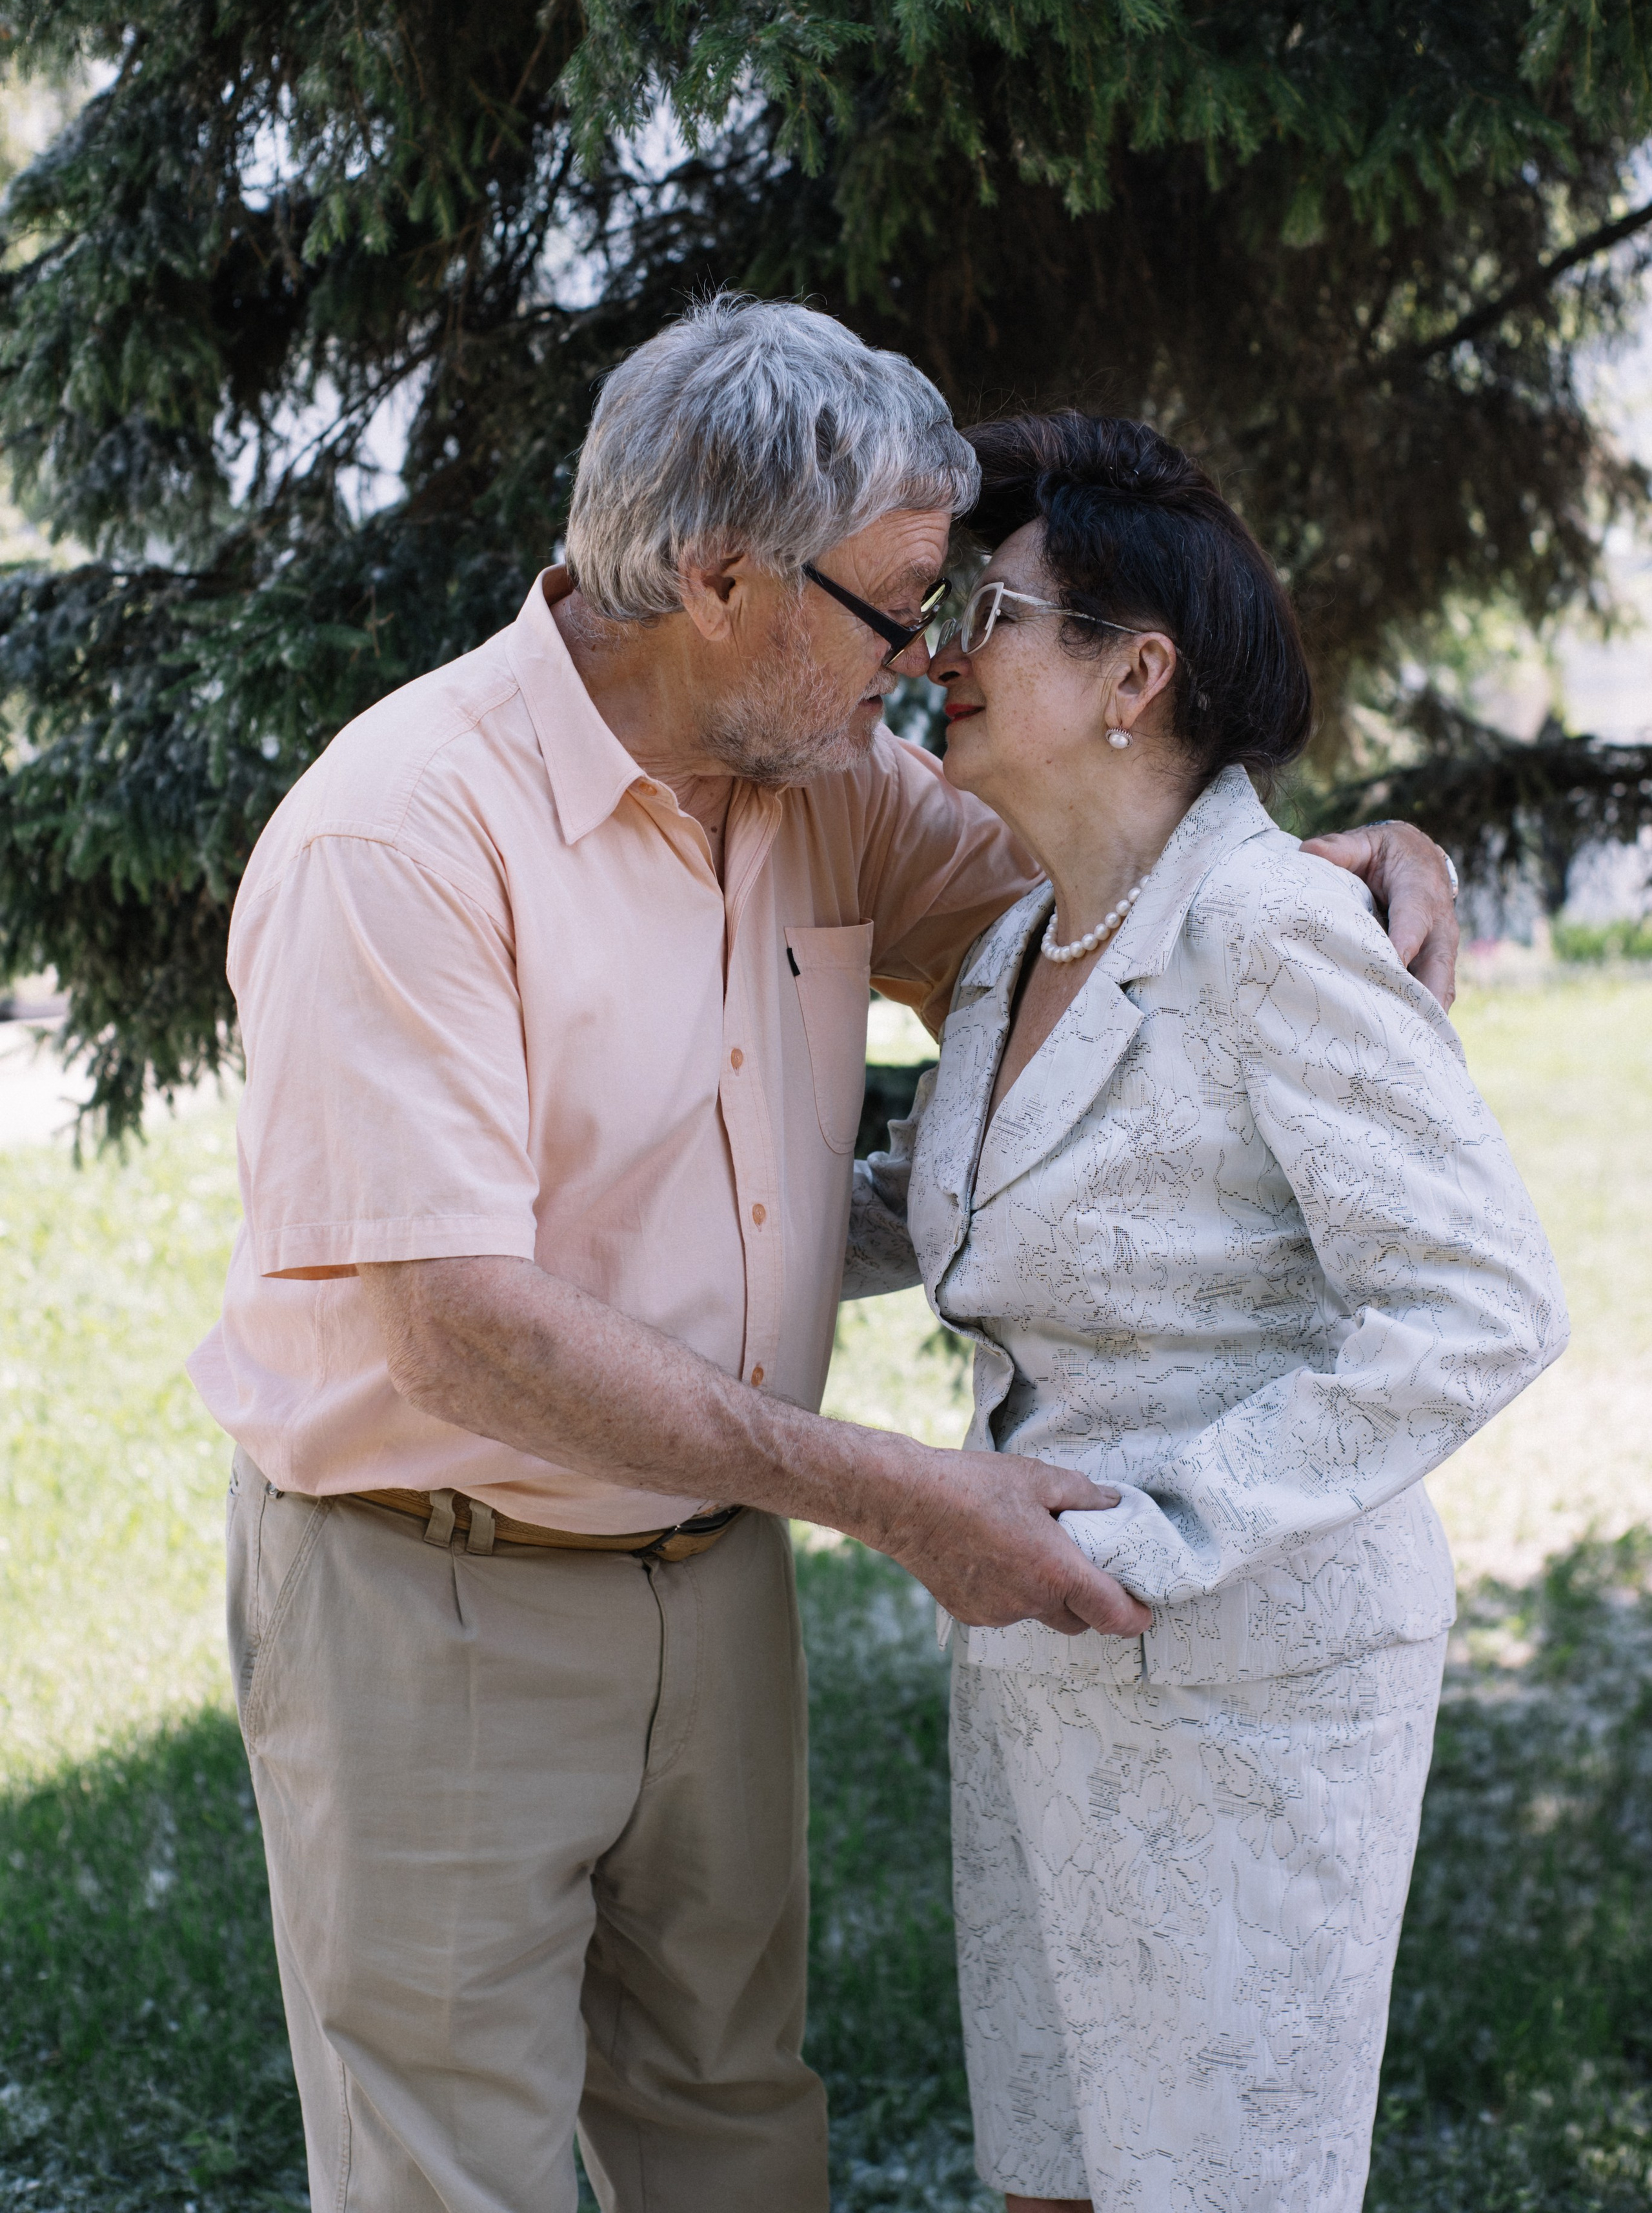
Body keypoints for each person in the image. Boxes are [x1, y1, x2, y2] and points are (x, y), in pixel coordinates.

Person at [187, 298, 1460, 2213]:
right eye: (896, 608)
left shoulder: (830, 789)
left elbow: (1122, 937)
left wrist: (1340, 864)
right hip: (430, 1584)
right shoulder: (402, 833)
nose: (927, 658)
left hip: (716, 1576)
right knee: (455, 2170)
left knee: (732, 2135)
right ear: (719, 579)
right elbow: (454, 1327)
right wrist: (903, 1496)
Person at [854, 410, 1566, 2213]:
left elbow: (1479, 1300)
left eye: (987, 611)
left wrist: (1162, 1535)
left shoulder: (1274, 930)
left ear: (1134, 673)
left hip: (1252, 1684)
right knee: (1052, 2185)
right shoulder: (1026, 943)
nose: (937, 651)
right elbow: (955, 1200)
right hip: (1037, 1676)